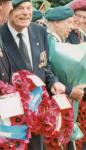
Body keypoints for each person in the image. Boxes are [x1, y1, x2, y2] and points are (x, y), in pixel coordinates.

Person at [0, 0, 69, 149]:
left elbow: (44, 67)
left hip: (38, 113)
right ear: (9, 10)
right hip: (13, 117)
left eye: (29, 8)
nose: (26, 13)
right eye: (20, 9)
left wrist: (53, 82)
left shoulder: (39, 31)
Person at [44, 6, 86, 150]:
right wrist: (70, 89)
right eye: (69, 22)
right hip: (53, 108)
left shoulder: (57, 42)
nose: (72, 27)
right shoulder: (49, 41)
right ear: (56, 22)